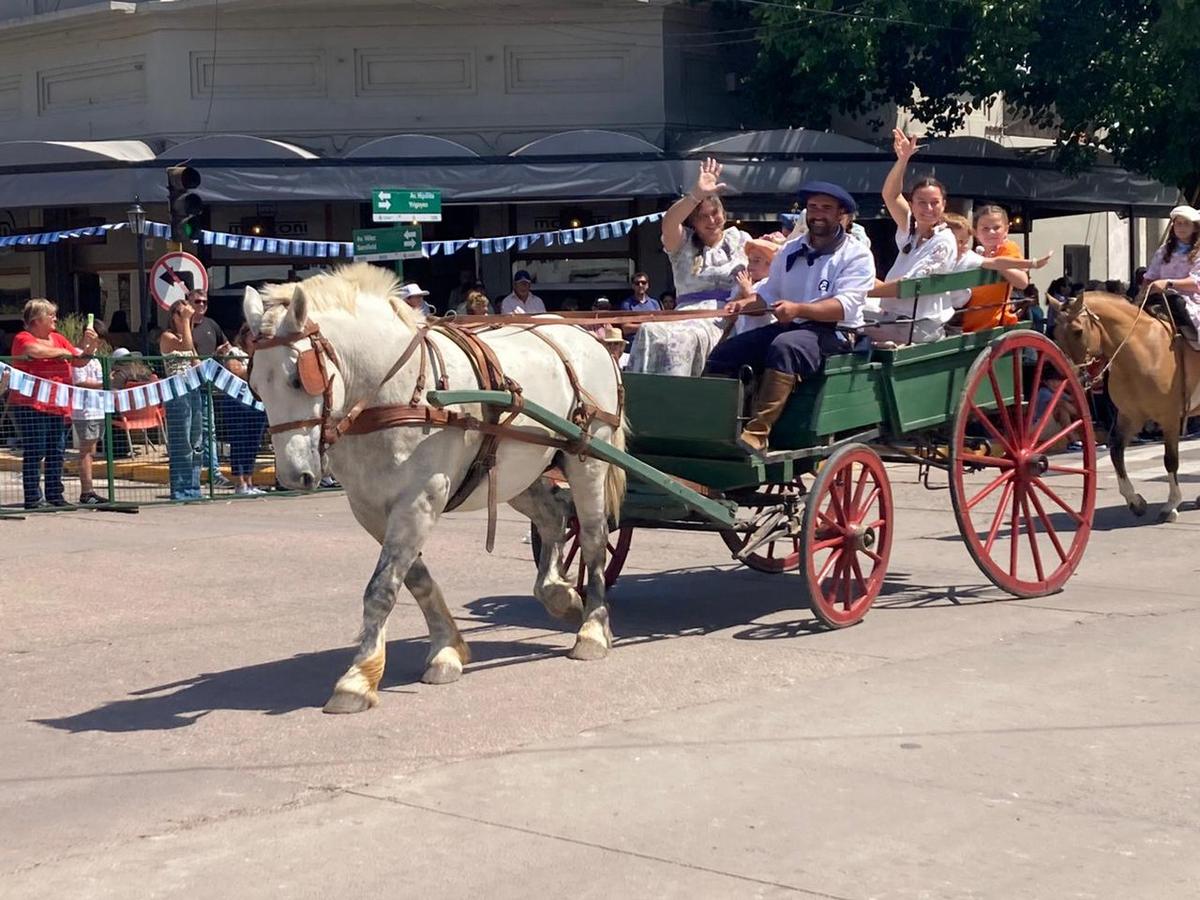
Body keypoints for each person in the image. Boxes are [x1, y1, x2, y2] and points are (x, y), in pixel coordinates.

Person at [706, 181, 875, 455]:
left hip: (835, 334)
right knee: (727, 352)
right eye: (813, 207)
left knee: (785, 347)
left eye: (826, 208)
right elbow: (768, 295)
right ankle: (716, 427)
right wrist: (744, 305)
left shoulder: (856, 255)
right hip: (793, 326)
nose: (818, 213)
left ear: (841, 213)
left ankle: (758, 433)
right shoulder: (790, 249)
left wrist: (798, 309)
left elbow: (844, 306)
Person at [627, 158, 751, 376]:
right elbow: (669, 223)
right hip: (684, 314)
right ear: (693, 221)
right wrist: (695, 195)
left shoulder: (740, 239)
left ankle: (677, 400)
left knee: (683, 338)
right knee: (648, 330)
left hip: (724, 317)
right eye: (704, 216)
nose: (712, 220)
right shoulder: (683, 243)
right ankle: (640, 397)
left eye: (715, 213)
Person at [863, 129, 958, 345]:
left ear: (944, 205)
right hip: (896, 318)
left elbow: (911, 285)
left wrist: (862, 289)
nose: (928, 208)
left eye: (935, 202)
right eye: (922, 202)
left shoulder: (944, 240)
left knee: (843, 314)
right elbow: (890, 195)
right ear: (912, 205)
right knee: (841, 311)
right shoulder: (911, 230)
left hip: (919, 325)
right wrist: (903, 159)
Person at [8, 299, 100, 509]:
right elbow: (34, 351)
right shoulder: (23, 338)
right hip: (30, 405)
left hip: (57, 404)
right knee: (35, 450)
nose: (55, 319)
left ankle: (54, 495)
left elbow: (79, 360)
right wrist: (63, 353)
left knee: (56, 451)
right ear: (36, 319)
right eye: (51, 315)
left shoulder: (58, 338)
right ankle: (33, 498)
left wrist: (90, 347)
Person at [185, 289, 234, 489]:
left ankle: (212, 473)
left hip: (207, 385)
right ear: (188, 302)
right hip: (187, 386)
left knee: (208, 430)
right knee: (191, 433)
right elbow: (188, 354)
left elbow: (226, 344)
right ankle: (191, 474)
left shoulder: (211, 325)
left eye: (205, 302)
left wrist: (221, 352)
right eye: (197, 301)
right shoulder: (183, 327)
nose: (202, 305)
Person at [958, 205, 1029, 333]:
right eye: (985, 229)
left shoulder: (1007, 249)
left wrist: (997, 264)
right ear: (976, 232)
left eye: (996, 228)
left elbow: (1022, 282)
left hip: (995, 323)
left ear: (1006, 230)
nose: (991, 232)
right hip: (971, 322)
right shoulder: (977, 255)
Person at [159, 298, 204, 501]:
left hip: (193, 390)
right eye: (181, 312)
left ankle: (193, 488)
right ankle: (180, 489)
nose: (186, 313)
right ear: (174, 316)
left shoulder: (186, 334)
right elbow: (185, 348)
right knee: (182, 442)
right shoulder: (167, 336)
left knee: (196, 441)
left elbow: (194, 359)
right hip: (177, 392)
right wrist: (187, 321)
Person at [220, 324, 268, 496]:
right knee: (239, 443)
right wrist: (257, 371)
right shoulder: (235, 352)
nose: (255, 339)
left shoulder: (261, 355)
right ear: (245, 336)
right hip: (237, 403)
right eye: (252, 335)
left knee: (253, 443)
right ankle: (240, 483)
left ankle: (249, 481)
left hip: (257, 404)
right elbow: (236, 371)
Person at [1142, 204, 1200, 342]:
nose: (1181, 227)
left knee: (1179, 305)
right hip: (1161, 296)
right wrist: (1144, 290)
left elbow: (1196, 282)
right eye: (1178, 224)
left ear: (1195, 227)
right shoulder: (1164, 250)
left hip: (1190, 299)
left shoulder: (1198, 252)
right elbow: (1151, 275)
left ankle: (1193, 346)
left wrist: (1168, 283)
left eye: (1186, 224)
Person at [725, 233, 787, 338]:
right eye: (749, 261)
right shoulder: (743, 282)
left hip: (761, 337)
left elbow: (761, 305)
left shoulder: (769, 284)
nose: (750, 266)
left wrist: (747, 290)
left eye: (756, 261)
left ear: (772, 265)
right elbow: (731, 313)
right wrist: (740, 293)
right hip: (739, 335)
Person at [70, 345, 106, 505]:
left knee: (91, 450)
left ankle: (89, 490)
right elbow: (80, 381)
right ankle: (87, 491)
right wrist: (103, 383)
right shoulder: (79, 356)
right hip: (85, 409)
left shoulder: (96, 357)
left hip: (98, 408)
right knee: (86, 450)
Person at [619, 272, 660, 338]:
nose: (640, 285)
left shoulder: (655, 303)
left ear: (647, 285)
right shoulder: (626, 304)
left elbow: (659, 324)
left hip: (653, 342)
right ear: (633, 286)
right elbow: (626, 328)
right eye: (637, 283)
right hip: (635, 344)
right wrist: (647, 326)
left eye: (643, 282)